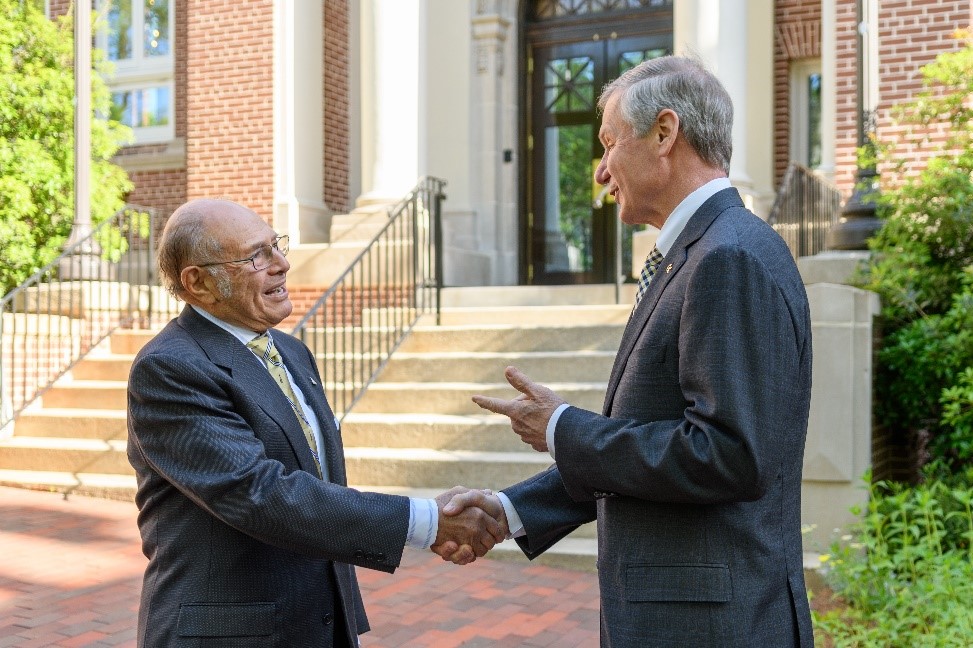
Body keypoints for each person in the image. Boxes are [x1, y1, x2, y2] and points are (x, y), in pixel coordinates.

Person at [438, 55, 815, 647]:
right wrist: (511, 510)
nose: (599, 171)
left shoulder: (727, 258)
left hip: (709, 629)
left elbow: (728, 454)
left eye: (609, 144)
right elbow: (650, 447)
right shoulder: (700, 251)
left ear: (665, 134)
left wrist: (564, 428)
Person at [127, 198, 506, 647]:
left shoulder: (291, 352)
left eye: (276, 245)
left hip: (318, 626)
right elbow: (260, 494)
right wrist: (425, 522)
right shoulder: (170, 368)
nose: (283, 264)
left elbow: (320, 485)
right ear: (200, 282)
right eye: (257, 256)